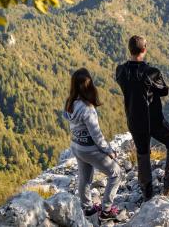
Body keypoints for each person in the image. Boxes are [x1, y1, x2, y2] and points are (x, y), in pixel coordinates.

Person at [115, 35, 169, 199]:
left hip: (134, 120)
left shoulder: (120, 71)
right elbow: (164, 90)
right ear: (144, 49)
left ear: (130, 50)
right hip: (153, 120)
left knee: (142, 154)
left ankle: (147, 193)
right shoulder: (151, 72)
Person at [64, 68, 122, 222]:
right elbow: (96, 135)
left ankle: (88, 209)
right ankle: (106, 211)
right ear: (89, 86)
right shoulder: (87, 109)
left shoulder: (70, 103)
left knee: (85, 178)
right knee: (116, 174)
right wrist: (109, 151)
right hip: (90, 149)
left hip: (76, 146)